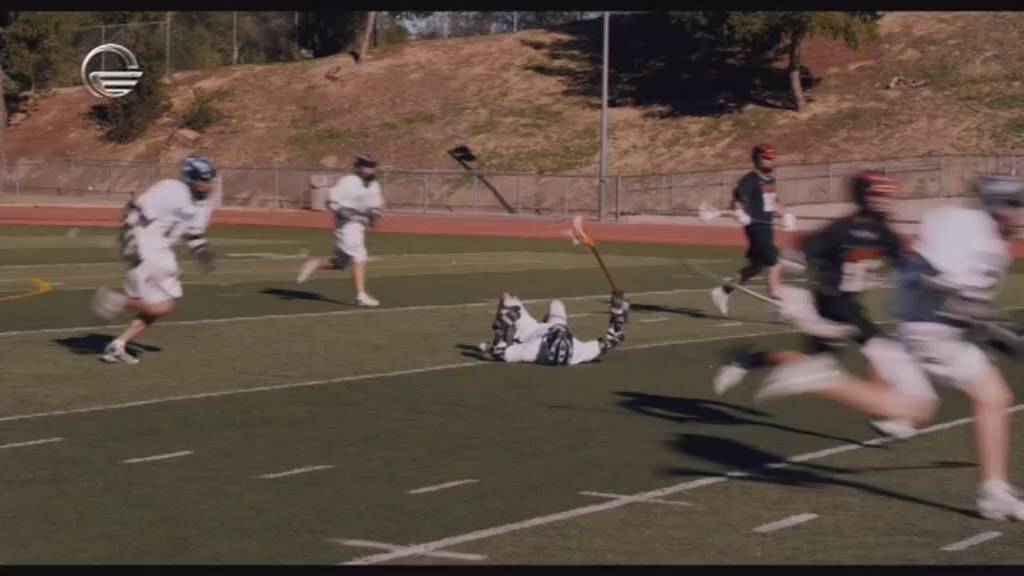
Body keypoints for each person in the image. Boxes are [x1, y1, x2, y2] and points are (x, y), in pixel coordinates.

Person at [743, 175, 1024, 521]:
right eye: (1017, 205)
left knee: (917, 407)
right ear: (998, 205)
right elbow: (930, 276)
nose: (1020, 215)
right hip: (932, 331)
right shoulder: (963, 224)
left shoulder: (993, 241)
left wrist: (992, 326)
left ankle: (818, 377)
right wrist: (994, 327)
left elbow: (950, 289)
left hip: (930, 328)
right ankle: (994, 493)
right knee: (991, 394)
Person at [712, 172, 907, 440]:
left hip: (850, 305)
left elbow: (907, 266)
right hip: (830, 304)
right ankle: (888, 413)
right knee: (883, 351)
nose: (886, 201)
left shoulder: (884, 233)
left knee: (816, 365)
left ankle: (748, 359)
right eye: (879, 195)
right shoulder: (842, 230)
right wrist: (784, 292)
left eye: (887, 195)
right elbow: (796, 254)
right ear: (864, 196)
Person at [91, 155, 219, 365]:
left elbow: (194, 233)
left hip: (162, 252)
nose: (207, 184)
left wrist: (202, 252)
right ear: (190, 178)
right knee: (161, 306)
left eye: (209, 180)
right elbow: (135, 209)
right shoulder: (171, 189)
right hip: (148, 247)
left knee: (163, 305)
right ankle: (116, 301)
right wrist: (128, 239)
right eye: (203, 180)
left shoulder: (203, 204)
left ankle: (118, 345)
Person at [711, 144, 795, 316]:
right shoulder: (750, 179)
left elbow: (774, 204)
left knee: (756, 267)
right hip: (756, 229)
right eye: (767, 158)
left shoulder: (770, 180)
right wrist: (740, 212)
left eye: (772, 158)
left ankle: (723, 291)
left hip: (767, 228)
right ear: (758, 159)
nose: (771, 161)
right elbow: (737, 200)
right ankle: (779, 302)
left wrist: (785, 214)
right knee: (775, 263)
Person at [297, 154, 383, 307]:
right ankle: (361, 295)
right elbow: (331, 201)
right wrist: (342, 211)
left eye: (373, 167)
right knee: (359, 255)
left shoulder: (374, 185)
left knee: (341, 263)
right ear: (359, 168)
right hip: (346, 226)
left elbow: (374, 206)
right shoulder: (348, 182)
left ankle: (315, 264)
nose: (372, 170)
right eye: (368, 167)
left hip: (359, 226)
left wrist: (374, 215)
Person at [482, 291, 629, 366]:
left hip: (530, 332)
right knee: (556, 304)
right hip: (552, 326)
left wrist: (504, 326)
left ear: (546, 344)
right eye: (563, 334)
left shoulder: (532, 350)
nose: (560, 331)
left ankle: (514, 335)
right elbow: (613, 339)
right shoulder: (578, 351)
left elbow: (498, 353)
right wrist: (617, 311)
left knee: (508, 299)